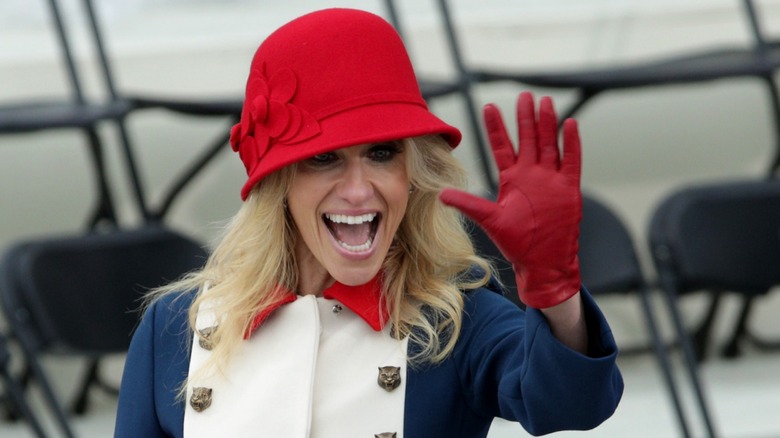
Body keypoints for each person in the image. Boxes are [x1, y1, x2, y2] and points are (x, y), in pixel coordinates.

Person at [114, 8, 623, 438]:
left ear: (413, 173)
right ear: (278, 184)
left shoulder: (456, 320)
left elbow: (570, 405)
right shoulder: (173, 327)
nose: (358, 190)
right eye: (324, 158)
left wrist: (555, 291)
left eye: (382, 153)